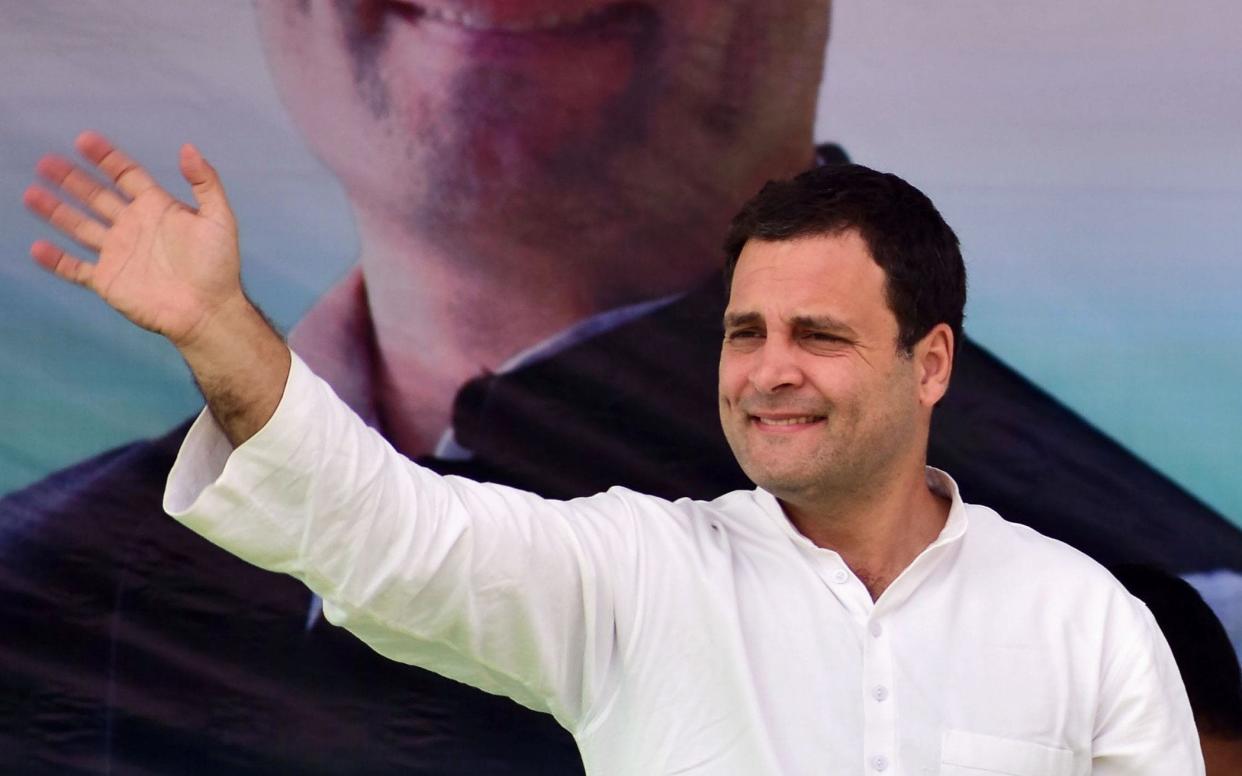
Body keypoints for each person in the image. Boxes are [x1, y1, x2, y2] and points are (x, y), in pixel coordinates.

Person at [5, 1, 1240, 771]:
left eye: (818, 332)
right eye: (744, 331)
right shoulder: (641, 567)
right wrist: (219, 329)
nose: (768, 372)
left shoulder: (1133, 614)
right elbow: (381, 532)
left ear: (934, 360)